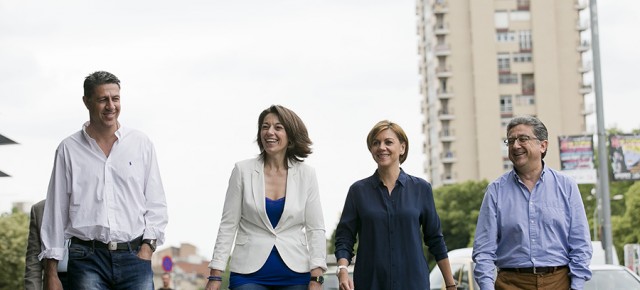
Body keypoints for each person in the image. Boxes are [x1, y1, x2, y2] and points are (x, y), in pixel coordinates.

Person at [39, 71, 169, 290]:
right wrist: (51, 274)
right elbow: (55, 213)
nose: (111, 106)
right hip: (86, 258)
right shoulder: (68, 149)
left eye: (115, 98)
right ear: (86, 101)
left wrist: (147, 247)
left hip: (135, 257)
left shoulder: (141, 144)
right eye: (103, 99)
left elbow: (156, 203)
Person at [205, 105, 327, 290]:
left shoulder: (306, 175)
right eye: (265, 126)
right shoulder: (242, 171)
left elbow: (315, 228)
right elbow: (228, 225)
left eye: (278, 127)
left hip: (295, 275)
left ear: (290, 135)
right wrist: (215, 276)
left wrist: (317, 277)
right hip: (248, 275)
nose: (270, 132)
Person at [472, 115, 592, 290]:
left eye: (523, 139)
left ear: (543, 145)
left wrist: (577, 286)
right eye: (511, 140)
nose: (515, 145)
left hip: (558, 282)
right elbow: (483, 250)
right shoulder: (495, 190)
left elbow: (580, 243)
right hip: (511, 283)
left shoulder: (567, 186)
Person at [334, 120, 457, 290]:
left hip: (413, 283)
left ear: (402, 148)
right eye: (375, 143)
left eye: (388, 142)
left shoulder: (421, 189)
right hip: (370, 283)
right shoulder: (358, 191)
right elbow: (345, 238)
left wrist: (450, 284)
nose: (381, 147)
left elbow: (435, 239)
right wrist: (342, 270)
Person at [25, 199, 69, 290]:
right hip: (52, 282)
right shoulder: (39, 209)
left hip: (89, 277)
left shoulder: (93, 204)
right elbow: (33, 260)